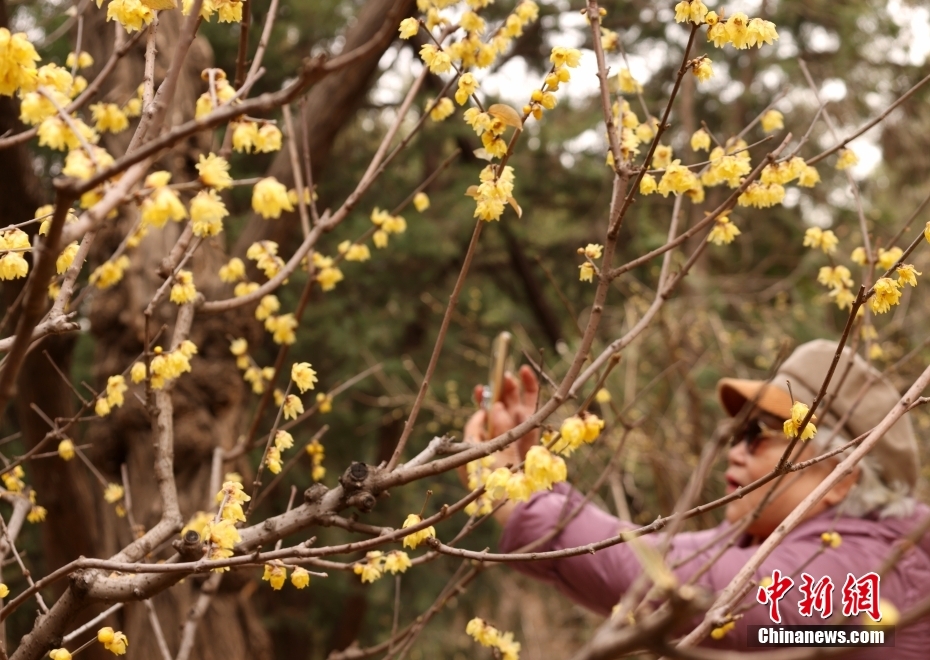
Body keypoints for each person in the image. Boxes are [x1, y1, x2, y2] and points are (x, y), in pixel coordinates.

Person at [463, 340, 930, 656]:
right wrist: (529, 478)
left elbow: (677, 582)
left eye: (759, 433)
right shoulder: (758, 544)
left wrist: (515, 493)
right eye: (736, 430)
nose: (735, 449)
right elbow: (641, 553)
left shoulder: (869, 574)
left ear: (844, 478)